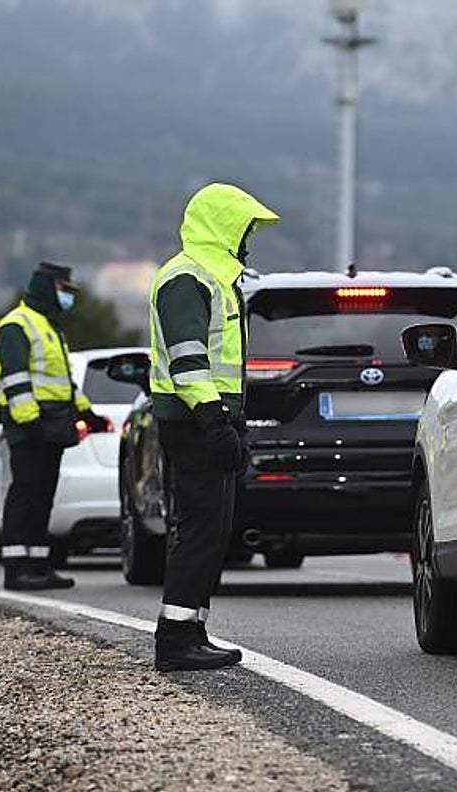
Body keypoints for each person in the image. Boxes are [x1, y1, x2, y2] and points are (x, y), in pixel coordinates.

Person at [148, 183, 279, 672]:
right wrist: (212, 419)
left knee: (214, 529)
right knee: (200, 530)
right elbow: (188, 360)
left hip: (209, 420)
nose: (248, 240)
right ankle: (176, 640)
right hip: (194, 422)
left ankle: (192, 628)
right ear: (224, 227)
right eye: (245, 229)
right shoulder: (188, 279)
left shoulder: (216, 279)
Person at [0, 261, 107, 591]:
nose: (68, 297)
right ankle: (17, 569)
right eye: (63, 289)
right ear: (46, 287)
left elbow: (64, 383)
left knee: (44, 495)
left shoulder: (50, 327)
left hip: (53, 422)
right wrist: (30, 422)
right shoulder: (17, 325)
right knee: (25, 494)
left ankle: (39, 565)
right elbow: (15, 378)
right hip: (29, 425)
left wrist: (87, 413)